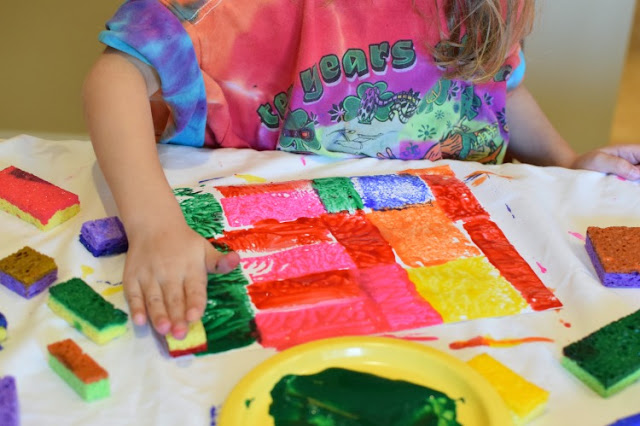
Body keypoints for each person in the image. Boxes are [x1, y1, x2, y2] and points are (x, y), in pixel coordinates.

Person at [82, 0, 640, 339]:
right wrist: (156, 226)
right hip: (278, 252)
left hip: (449, 264)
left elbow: (495, 90)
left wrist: (565, 162)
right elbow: (117, 77)